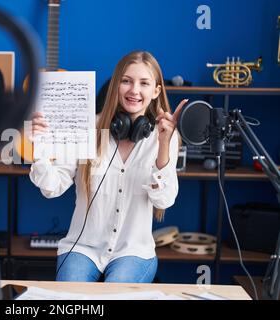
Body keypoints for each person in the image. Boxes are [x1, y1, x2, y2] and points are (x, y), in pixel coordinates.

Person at [29, 51, 187, 283]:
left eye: (144, 83)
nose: (134, 90)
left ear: (156, 91)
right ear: (115, 86)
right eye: (126, 81)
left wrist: (163, 145)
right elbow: (52, 188)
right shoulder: (87, 128)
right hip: (82, 248)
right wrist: (39, 148)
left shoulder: (165, 136)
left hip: (133, 252)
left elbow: (164, 201)